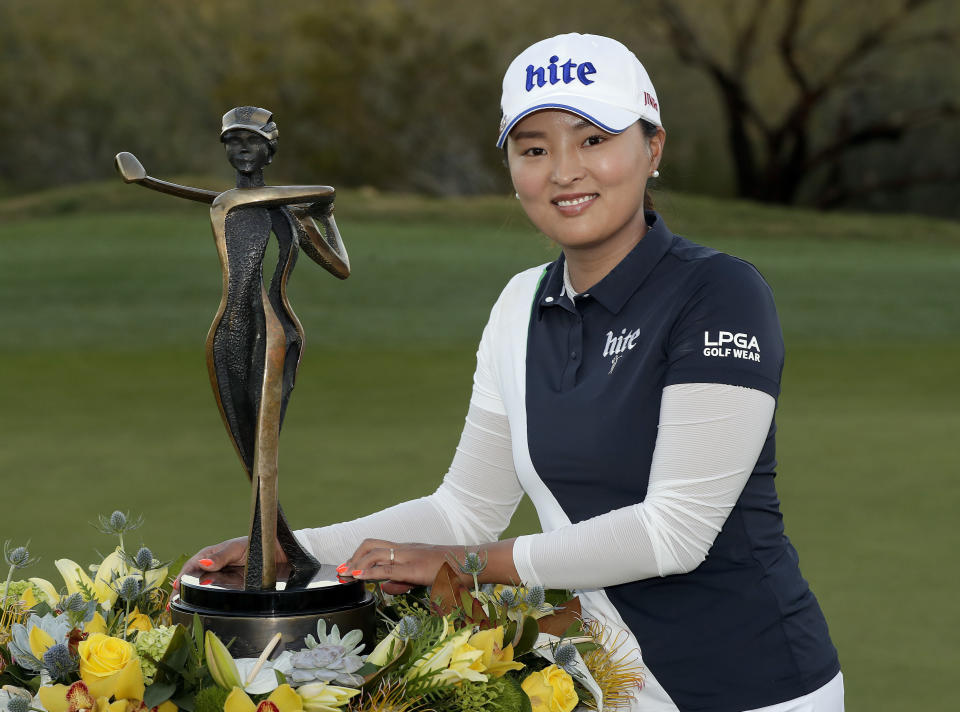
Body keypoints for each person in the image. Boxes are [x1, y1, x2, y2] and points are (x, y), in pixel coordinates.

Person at [181, 34, 842, 711]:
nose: (563, 171)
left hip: (753, 687)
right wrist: (291, 549)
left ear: (654, 148)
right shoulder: (520, 305)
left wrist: (465, 567)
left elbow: (673, 531)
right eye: (534, 148)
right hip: (600, 682)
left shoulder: (719, 293)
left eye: (593, 140)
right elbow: (463, 509)